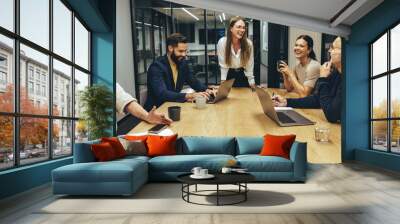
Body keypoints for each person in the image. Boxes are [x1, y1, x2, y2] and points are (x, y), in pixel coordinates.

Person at [272, 37, 342, 123]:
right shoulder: (336, 73)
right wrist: (286, 102)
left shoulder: (348, 79)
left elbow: (332, 115)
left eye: (333, 48)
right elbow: (316, 99)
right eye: (296, 45)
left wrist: (323, 79)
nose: (329, 51)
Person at [144, 33, 213, 110]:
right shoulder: (157, 67)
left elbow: (193, 81)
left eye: (185, 51)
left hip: (173, 105)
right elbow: (162, 94)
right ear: (170, 48)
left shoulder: (182, 63)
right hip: (156, 109)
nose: (184, 55)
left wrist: (207, 90)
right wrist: (190, 95)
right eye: (180, 51)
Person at [217, 16, 255, 88]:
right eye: (239, 27)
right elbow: (224, 66)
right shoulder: (222, 42)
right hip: (229, 75)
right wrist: (223, 83)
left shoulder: (248, 44)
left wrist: (252, 83)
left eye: (243, 27)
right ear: (231, 28)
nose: (242, 30)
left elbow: (249, 65)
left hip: (242, 75)